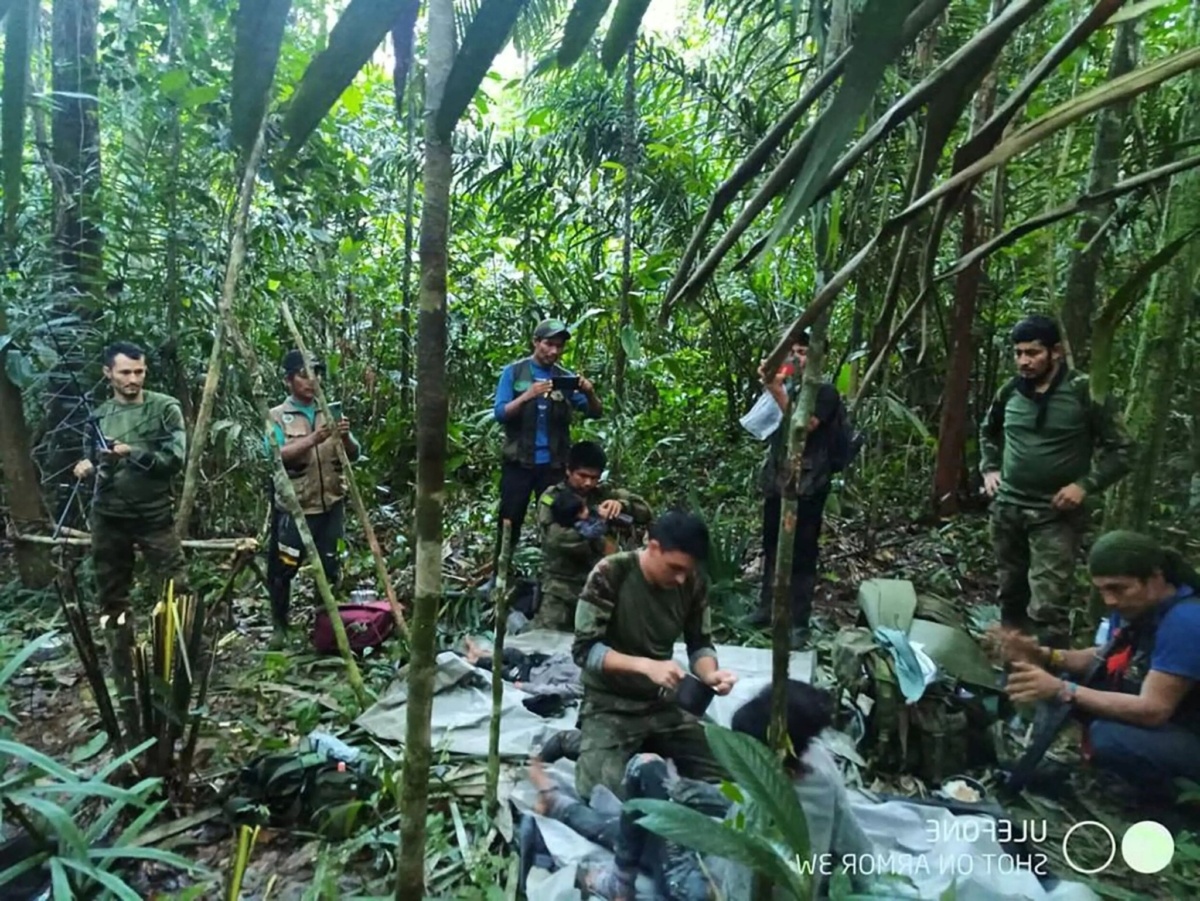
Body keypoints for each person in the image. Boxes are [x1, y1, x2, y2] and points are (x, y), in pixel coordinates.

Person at [527, 681, 874, 900]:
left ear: (766, 753)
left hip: (703, 886)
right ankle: (556, 803)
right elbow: (855, 845)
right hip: (727, 853)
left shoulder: (762, 809)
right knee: (655, 812)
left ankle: (614, 877)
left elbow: (737, 886)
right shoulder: (820, 766)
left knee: (642, 788)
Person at [1000, 530, 1200, 803]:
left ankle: (1164, 801)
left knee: (1108, 736)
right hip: (1169, 717)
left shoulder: (1186, 621)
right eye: (1102, 590)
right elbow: (1105, 655)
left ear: (1155, 578)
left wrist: (1063, 689)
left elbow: (1154, 710)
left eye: (1118, 588)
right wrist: (1045, 655)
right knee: (1066, 680)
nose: (1109, 601)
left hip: (1187, 732)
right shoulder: (1138, 608)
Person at [979, 315, 1133, 645]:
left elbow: (1123, 450)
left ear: (1056, 352)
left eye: (1033, 353)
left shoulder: (1085, 392)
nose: (1024, 361)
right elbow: (988, 432)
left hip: (1055, 514)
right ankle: (1013, 673)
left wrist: (1085, 485)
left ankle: (1047, 684)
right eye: (1018, 352)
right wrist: (990, 468)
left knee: (1048, 607)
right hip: (1008, 509)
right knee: (1010, 594)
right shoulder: (1010, 392)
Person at [572, 511, 736, 800]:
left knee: (735, 771)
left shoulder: (691, 581)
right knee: (599, 793)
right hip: (609, 704)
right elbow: (585, 650)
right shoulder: (611, 573)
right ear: (653, 547)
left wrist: (710, 674)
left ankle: (648, 748)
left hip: (662, 704)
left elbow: (699, 643)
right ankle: (576, 742)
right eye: (674, 568)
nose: (681, 577)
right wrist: (645, 666)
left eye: (688, 569)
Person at [72, 341, 188, 617]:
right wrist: (86, 467)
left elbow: (174, 460)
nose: (133, 379)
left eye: (139, 372)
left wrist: (132, 452)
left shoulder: (164, 408)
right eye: (125, 372)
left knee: (177, 589)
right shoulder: (98, 416)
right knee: (111, 597)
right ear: (108, 373)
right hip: (108, 516)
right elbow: (93, 463)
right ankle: (121, 656)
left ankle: (185, 654)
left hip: (153, 514)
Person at [746, 332, 843, 646]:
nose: (797, 358)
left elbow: (803, 426)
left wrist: (775, 389)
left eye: (803, 352)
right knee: (772, 545)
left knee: (802, 552)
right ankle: (767, 607)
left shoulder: (824, 393)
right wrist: (773, 384)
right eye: (793, 352)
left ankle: (799, 621)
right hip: (778, 481)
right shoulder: (787, 386)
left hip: (808, 486)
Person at [491, 319, 602, 575]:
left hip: (554, 466)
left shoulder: (563, 378)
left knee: (560, 519)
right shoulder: (515, 373)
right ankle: (500, 574)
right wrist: (528, 395)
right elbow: (500, 413)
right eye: (549, 344)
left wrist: (589, 392)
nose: (554, 351)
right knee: (509, 520)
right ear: (536, 342)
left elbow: (595, 412)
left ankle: (556, 574)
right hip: (519, 464)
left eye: (559, 346)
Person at [266, 349, 361, 645]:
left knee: (330, 567)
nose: (312, 380)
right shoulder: (277, 416)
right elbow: (276, 456)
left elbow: (354, 454)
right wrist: (314, 439)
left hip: (331, 504)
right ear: (288, 380)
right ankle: (280, 627)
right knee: (283, 569)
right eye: (304, 374)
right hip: (295, 507)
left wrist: (343, 436)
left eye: (316, 373)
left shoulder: (327, 410)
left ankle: (324, 629)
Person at [533, 441, 652, 631]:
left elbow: (645, 511)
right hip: (561, 587)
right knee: (545, 643)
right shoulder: (552, 497)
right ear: (568, 471)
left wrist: (621, 505)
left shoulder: (604, 493)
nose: (588, 483)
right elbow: (555, 539)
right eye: (582, 476)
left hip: (599, 588)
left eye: (594, 477)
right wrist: (597, 535)